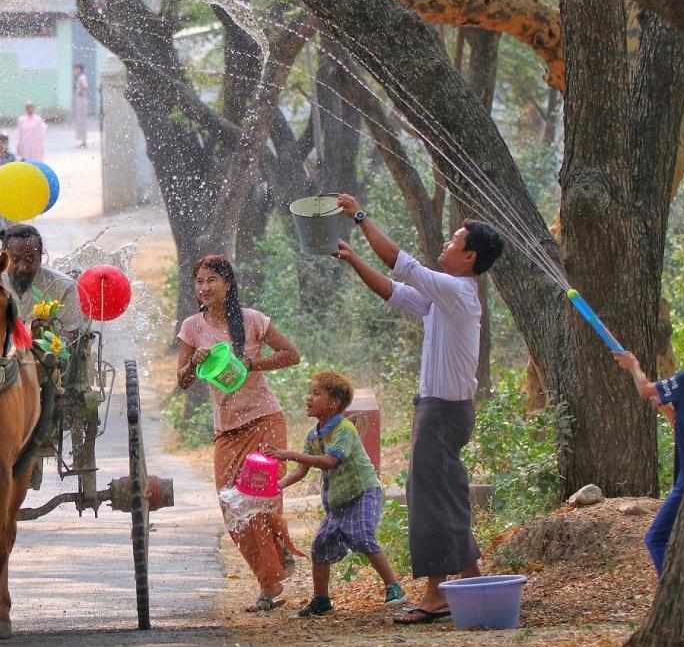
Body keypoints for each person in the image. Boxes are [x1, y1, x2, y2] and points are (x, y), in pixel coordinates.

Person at [331, 193, 504, 624]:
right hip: (440, 411)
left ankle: (436, 595)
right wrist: (355, 260)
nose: (446, 243)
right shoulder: (447, 297)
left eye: (455, 240)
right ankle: (470, 579)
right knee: (443, 496)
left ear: (470, 258)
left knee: (429, 502)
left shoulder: (457, 291)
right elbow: (395, 291)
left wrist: (360, 217)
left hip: (443, 415)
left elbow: (400, 262)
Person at [177, 254, 303, 612]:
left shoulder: (252, 320)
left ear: (227, 284)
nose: (204, 288)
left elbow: (291, 355)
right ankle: (272, 570)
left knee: (259, 499)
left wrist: (252, 364)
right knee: (232, 507)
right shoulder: (191, 328)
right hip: (226, 430)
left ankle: (270, 585)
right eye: (199, 282)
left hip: (265, 420)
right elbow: (182, 382)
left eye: (211, 280)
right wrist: (193, 363)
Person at [273, 371, 406, 617]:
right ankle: (321, 601)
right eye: (309, 392)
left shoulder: (344, 429)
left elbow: (329, 461)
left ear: (334, 403)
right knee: (320, 547)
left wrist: (290, 454)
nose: (308, 398)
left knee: (362, 534)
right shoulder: (313, 435)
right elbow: (302, 470)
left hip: (364, 493)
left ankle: (394, 587)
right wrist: (278, 486)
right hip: (337, 502)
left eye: (316, 393)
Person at [614, 332, 684, 575]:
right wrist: (668, 411)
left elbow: (645, 388)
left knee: (655, 538)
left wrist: (634, 366)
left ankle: (671, 594)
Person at [0, 224, 80, 336]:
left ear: (41, 257)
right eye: (16, 259)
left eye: (30, 259)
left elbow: (70, 335)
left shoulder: (63, 287)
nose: (23, 267)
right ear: (3, 255)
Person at [72, 64, 89, 148]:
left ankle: (84, 141)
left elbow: (84, 86)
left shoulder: (82, 77)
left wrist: (80, 92)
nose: (75, 71)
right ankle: (83, 140)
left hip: (81, 100)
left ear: (80, 69)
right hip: (80, 100)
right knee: (80, 121)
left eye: (76, 69)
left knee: (82, 121)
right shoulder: (80, 77)